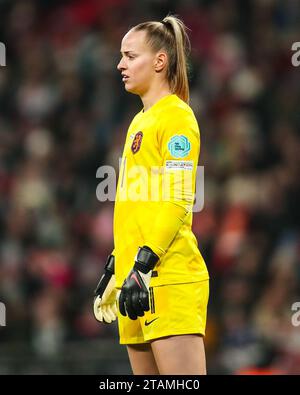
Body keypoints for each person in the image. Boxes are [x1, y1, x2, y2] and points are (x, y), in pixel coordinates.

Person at [93, 15, 209, 375]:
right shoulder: (140, 121)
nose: (120, 64)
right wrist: (118, 263)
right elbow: (139, 202)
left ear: (159, 62)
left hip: (168, 277)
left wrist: (141, 265)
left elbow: (177, 200)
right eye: (121, 56)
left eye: (130, 56)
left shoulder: (177, 118)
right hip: (136, 280)